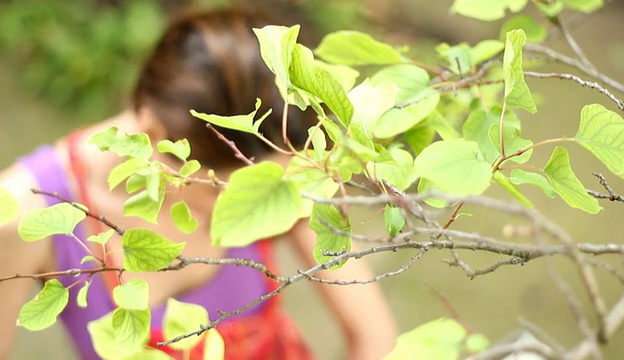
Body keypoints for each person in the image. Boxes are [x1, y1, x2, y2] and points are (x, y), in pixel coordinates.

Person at [0, 7, 397, 360]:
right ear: (154, 136)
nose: (260, 204)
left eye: (275, 186)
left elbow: (374, 337)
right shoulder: (26, 213)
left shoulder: (281, 162)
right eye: (226, 190)